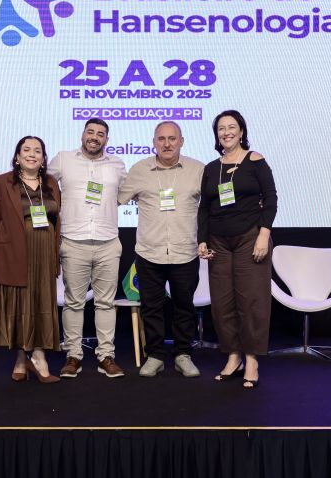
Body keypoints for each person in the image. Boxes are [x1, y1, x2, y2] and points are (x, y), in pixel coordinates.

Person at [117, 121, 204, 378]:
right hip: (149, 252)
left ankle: (183, 355)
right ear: (154, 142)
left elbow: (214, 206)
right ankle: (154, 356)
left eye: (172, 138)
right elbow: (115, 199)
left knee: (184, 307)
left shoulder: (198, 170)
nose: (167, 144)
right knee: (151, 308)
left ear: (181, 141)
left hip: (185, 252)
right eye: (161, 139)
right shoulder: (139, 170)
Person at [198, 110, 277, 389]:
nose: (227, 132)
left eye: (232, 127)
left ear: (241, 131)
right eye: (221, 128)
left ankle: (252, 360)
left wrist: (263, 235)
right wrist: (202, 240)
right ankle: (233, 357)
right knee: (222, 304)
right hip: (218, 243)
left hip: (249, 239)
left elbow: (271, 199)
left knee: (251, 302)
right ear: (216, 134)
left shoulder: (255, 160)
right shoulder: (211, 168)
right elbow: (204, 208)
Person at [48, 118, 128, 379]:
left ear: (107, 139)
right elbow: (36, 181)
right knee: (73, 302)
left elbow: (130, 192)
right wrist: (4, 181)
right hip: (73, 242)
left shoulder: (117, 165)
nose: (94, 137)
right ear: (82, 135)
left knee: (106, 303)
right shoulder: (63, 159)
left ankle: (106, 356)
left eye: (100, 134)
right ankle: (73, 355)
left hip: (108, 242)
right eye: (90, 132)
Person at [0, 136, 62, 383]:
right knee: (19, 305)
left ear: (43, 158)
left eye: (37, 151)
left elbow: (56, 218)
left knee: (40, 303)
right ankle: (21, 358)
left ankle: (38, 355)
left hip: (44, 252)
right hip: (14, 251)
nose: (31, 154)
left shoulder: (51, 183)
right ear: (17, 156)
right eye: (26, 150)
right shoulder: (2, 183)